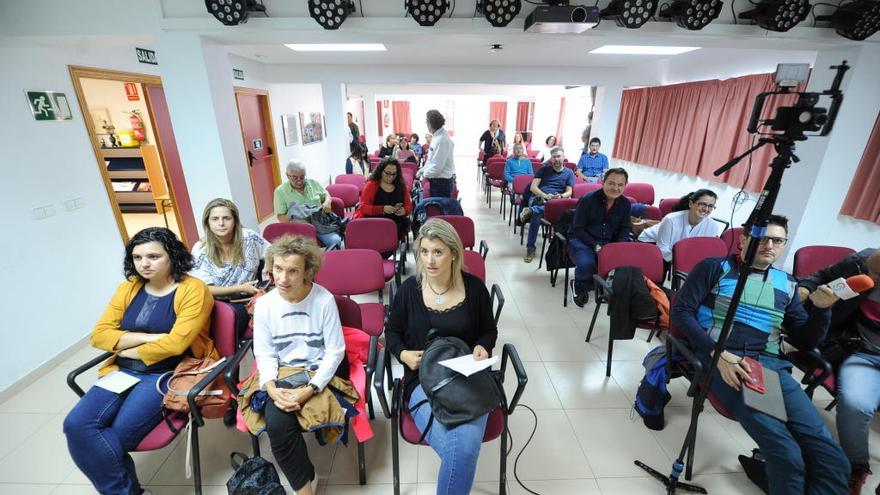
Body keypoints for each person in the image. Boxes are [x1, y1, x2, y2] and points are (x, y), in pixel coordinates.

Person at [671, 214, 850, 495]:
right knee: (786, 454)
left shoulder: (787, 283)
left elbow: (805, 340)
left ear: (784, 245)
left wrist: (823, 309)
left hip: (770, 366)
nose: (769, 245)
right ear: (744, 239)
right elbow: (681, 313)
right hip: (725, 361)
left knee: (832, 457)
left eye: (777, 240)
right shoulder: (715, 268)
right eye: (762, 238)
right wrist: (718, 354)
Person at [64, 227, 217, 495]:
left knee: (116, 438)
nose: (144, 264)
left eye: (153, 256)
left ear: (172, 256)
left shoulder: (193, 289)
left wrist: (126, 346)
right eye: (137, 257)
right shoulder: (128, 288)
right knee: (75, 425)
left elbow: (176, 344)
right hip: (122, 371)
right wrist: (146, 339)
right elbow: (99, 335)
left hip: (167, 373)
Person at [385, 218, 498, 495]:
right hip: (422, 380)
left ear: (454, 253)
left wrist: (482, 346)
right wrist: (403, 355)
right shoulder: (409, 290)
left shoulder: (474, 288)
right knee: (464, 450)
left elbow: (488, 330)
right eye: (424, 252)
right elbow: (392, 332)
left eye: (438, 252)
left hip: (467, 379)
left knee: (462, 448)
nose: (430, 260)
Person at [252, 235, 347, 495]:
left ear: (307, 272)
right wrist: (271, 388)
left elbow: (335, 351)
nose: (282, 278)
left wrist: (310, 389)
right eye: (278, 269)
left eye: (293, 271)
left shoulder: (323, 300)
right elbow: (265, 353)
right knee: (278, 426)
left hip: (317, 371)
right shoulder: (264, 305)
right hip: (282, 373)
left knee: (293, 416)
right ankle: (306, 486)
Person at [796, 247, 880, 494]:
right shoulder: (861, 263)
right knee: (855, 404)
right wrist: (804, 289)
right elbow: (820, 277)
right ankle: (856, 466)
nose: (871, 279)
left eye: (878, 276)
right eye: (871, 272)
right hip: (863, 353)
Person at [191, 198, 270, 337]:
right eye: (215, 219)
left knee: (228, 327)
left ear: (235, 221)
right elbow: (204, 289)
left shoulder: (249, 237)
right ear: (207, 222)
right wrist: (240, 288)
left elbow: (272, 251)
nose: (221, 223)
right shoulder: (201, 249)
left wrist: (266, 267)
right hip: (215, 302)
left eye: (226, 218)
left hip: (246, 300)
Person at [567, 167, 632, 307]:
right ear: (603, 181)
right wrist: (595, 246)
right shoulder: (588, 199)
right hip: (582, 240)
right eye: (612, 183)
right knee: (587, 263)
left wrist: (619, 246)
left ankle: (604, 286)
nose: (615, 188)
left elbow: (625, 228)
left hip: (608, 242)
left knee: (623, 264)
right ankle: (579, 286)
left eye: (620, 185)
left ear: (625, 185)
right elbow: (578, 228)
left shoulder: (625, 204)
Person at [519, 146, 575, 264]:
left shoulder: (569, 173)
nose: (556, 159)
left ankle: (531, 210)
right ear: (551, 159)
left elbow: (569, 192)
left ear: (563, 157)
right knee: (537, 215)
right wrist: (545, 195)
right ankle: (530, 249)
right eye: (554, 157)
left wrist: (560, 196)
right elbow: (533, 188)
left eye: (559, 156)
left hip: (557, 200)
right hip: (539, 197)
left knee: (539, 210)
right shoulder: (543, 169)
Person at [638, 189, 723, 261]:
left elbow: (704, 251)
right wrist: (681, 262)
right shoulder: (671, 219)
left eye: (711, 206)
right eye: (702, 204)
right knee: (658, 272)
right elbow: (662, 249)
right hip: (650, 242)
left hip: (672, 250)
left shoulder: (713, 226)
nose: (706, 209)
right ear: (691, 204)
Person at [273, 161, 341, 250]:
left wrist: (327, 202)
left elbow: (326, 194)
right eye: (295, 178)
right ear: (287, 175)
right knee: (302, 251)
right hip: (299, 229)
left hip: (319, 224)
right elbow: (281, 218)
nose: (299, 181)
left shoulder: (313, 183)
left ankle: (330, 262)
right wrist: (291, 212)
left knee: (335, 240)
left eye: (302, 177)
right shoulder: (280, 192)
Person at [354, 157, 413, 240]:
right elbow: (363, 208)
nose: (390, 177)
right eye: (387, 173)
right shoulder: (372, 185)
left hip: (395, 223)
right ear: (381, 171)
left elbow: (409, 207)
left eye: (394, 174)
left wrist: (404, 210)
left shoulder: (401, 186)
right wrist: (382, 209)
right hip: (374, 222)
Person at [418, 109, 456, 198]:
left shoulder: (441, 140)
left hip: (441, 182)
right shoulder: (437, 137)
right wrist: (422, 170)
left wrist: (424, 174)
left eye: (426, 122)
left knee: (438, 210)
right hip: (438, 180)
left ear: (430, 124)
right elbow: (431, 160)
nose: (426, 124)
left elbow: (437, 166)